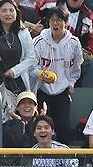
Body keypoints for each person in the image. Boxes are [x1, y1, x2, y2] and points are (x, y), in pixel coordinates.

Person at [0, 0, 36, 135]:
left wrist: (15, 71)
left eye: (11, 10)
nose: (8, 14)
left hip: (17, 81)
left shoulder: (24, 33)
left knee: (17, 118)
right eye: (4, 11)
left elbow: (30, 57)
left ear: (16, 13)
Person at [32, 5, 83, 144]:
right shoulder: (39, 41)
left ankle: (66, 161)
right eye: (52, 20)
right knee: (41, 127)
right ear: (48, 23)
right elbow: (31, 66)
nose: (55, 23)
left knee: (64, 128)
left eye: (59, 20)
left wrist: (71, 83)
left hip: (62, 91)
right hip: (41, 89)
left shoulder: (74, 43)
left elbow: (77, 67)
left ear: (65, 22)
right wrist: (41, 74)